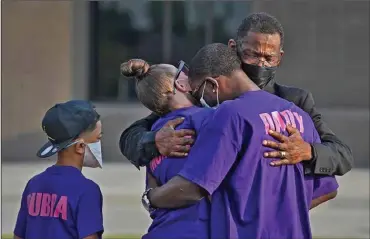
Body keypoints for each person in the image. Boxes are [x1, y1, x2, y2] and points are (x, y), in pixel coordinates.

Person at [119, 12, 353, 176]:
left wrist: (309, 151)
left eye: (269, 58)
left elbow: (342, 155)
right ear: (233, 48)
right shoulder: (205, 95)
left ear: (280, 57)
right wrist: (154, 141)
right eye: (252, 54)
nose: (261, 63)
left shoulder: (293, 101)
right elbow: (131, 136)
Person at [144, 43, 339, 239]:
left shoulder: (229, 114)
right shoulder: (298, 115)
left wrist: (151, 198)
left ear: (212, 84)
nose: (201, 101)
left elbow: (194, 188)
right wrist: (278, 215)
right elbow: (326, 190)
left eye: (198, 92)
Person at [120, 59, 211, 239]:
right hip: (195, 232)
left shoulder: (155, 131)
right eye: (185, 73)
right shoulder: (206, 118)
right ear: (180, 84)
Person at [13, 100, 104, 239]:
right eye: (98, 138)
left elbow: (18, 236)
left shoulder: (34, 184)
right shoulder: (87, 190)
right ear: (80, 147)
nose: (99, 144)